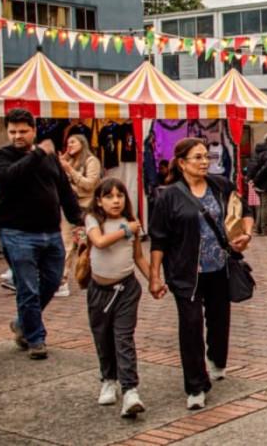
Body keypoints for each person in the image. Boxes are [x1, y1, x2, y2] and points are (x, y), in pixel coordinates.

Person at [148, 138, 253, 410]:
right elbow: (158, 239)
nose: (205, 162)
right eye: (198, 157)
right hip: (185, 273)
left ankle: (217, 359)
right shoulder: (168, 196)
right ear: (182, 163)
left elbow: (244, 211)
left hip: (218, 268)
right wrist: (154, 276)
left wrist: (246, 234)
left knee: (219, 321)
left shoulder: (221, 186)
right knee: (191, 326)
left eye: (207, 156)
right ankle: (195, 386)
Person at [0, 108, 83, 360]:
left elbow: (64, 191)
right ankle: (35, 338)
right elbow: (9, 178)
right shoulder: (1, 156)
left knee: (53, 282)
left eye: (23, 131)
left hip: (50, 232)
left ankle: (22, 322)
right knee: (28, 287)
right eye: (12, 131)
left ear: (33, 130)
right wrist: (39, 152)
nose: (17, 136)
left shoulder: (49, 159)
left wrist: (79, 219)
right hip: (17, 233)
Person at [85, 178, 152, 418]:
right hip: (98, 291)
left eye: (120, 195)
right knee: (102, 337)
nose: (116, 201)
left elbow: (139, 257)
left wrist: (154, 280)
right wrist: (126, 231)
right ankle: (108, 379)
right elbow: (99, 242)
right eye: (109, 196)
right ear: (99, 201)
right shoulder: (94, 220)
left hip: (126, 289)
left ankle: (130, 390)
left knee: (123, 337)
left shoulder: (132, 223)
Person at [57, 133, 102, 297]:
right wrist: (62, 163)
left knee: (86, 246)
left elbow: (89, 185)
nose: (69, 145)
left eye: (73, 142)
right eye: (67, 142)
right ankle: (62, 281)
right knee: (66, 244)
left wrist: (69, 171)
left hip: (85, 209)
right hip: (68, 207)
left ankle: (91, 277)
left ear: (82, 143)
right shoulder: (67, 161)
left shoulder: (91, 161)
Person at [247, 132, 267, 236]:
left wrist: (252, 180)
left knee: (260, 206)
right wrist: (256, 180)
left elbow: (253, 165)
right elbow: (265, 169)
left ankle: (258, 228)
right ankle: (265, 229)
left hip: (257, 183)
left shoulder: (258, 151)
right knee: (266, 205)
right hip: (265, 183)